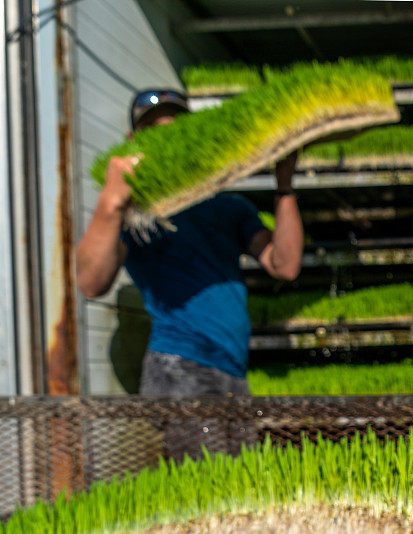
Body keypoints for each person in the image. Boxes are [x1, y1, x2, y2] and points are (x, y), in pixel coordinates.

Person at [77, 89, 304, 394]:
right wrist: (112, 201)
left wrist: (285, 186)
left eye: (178, 129)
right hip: (178, 368)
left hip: (233, 369)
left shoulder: (230, 208)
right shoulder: (139, 217)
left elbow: (284, 266)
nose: (168, 138)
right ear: (133, 140)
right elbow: (90, 283)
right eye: (154, 131)